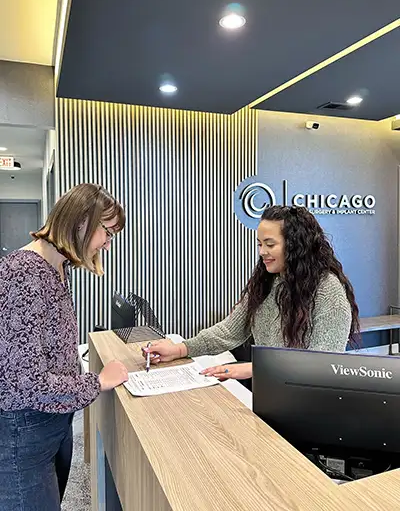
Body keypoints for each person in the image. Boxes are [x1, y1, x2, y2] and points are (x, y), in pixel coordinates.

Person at [0, 183, 129, 511]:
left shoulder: (55, 267)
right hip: (24, 431)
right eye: (107, 233)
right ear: (83, 221)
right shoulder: (22, 273)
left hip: (51, 422)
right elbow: (26, 384)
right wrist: (96, 382)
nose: (108, 246)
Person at [144, 205, 360, 381]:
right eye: (259, 244)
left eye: (270, 244)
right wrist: (180, 349)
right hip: (270, 394)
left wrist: (253, 369)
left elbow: (322, 362)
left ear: (296, 245)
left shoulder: (328, 291)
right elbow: (229, 331)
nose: (262, 252)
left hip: (307, 406)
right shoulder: (268, 282)